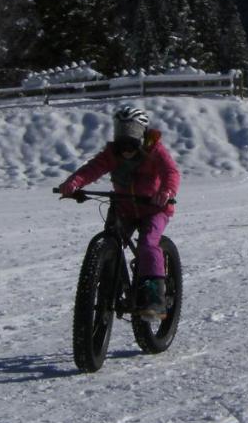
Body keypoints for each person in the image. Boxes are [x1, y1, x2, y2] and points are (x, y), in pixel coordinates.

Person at [59, 104, 180, 317]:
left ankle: (155, 298)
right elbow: (92, 169)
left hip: (154, 208)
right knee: (110, 242)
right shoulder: (112, 154)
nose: (126, 143)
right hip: (124, 208)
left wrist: (166, 191)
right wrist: (74, 183)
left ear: (142, 134)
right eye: (121, 133)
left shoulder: (155, 151)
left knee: (147, 243)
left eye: (132, 134)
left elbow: (170, 172)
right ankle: (106, 282)